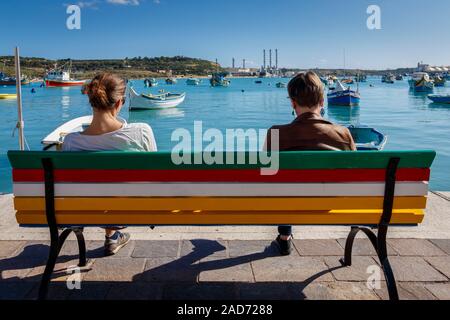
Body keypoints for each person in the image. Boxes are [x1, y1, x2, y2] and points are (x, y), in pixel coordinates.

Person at [62, 73, 157, 256]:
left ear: (92, 101)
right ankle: (113, 236)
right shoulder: (142, 132)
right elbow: (154, 178)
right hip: (136, 210)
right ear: (120, 103)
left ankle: (112, 236)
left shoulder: (71, 142)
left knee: (99, 190)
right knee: (115, 190)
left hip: (86, 212)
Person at [265, 71, 356, 256]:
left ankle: (284, 237)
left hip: (287, 205)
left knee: (283, 187)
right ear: (322, 102)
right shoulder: (344, 134)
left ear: (293, 102)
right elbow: (355, 176)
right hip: (331, 205)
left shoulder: (275, 134)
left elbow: (267, 174)